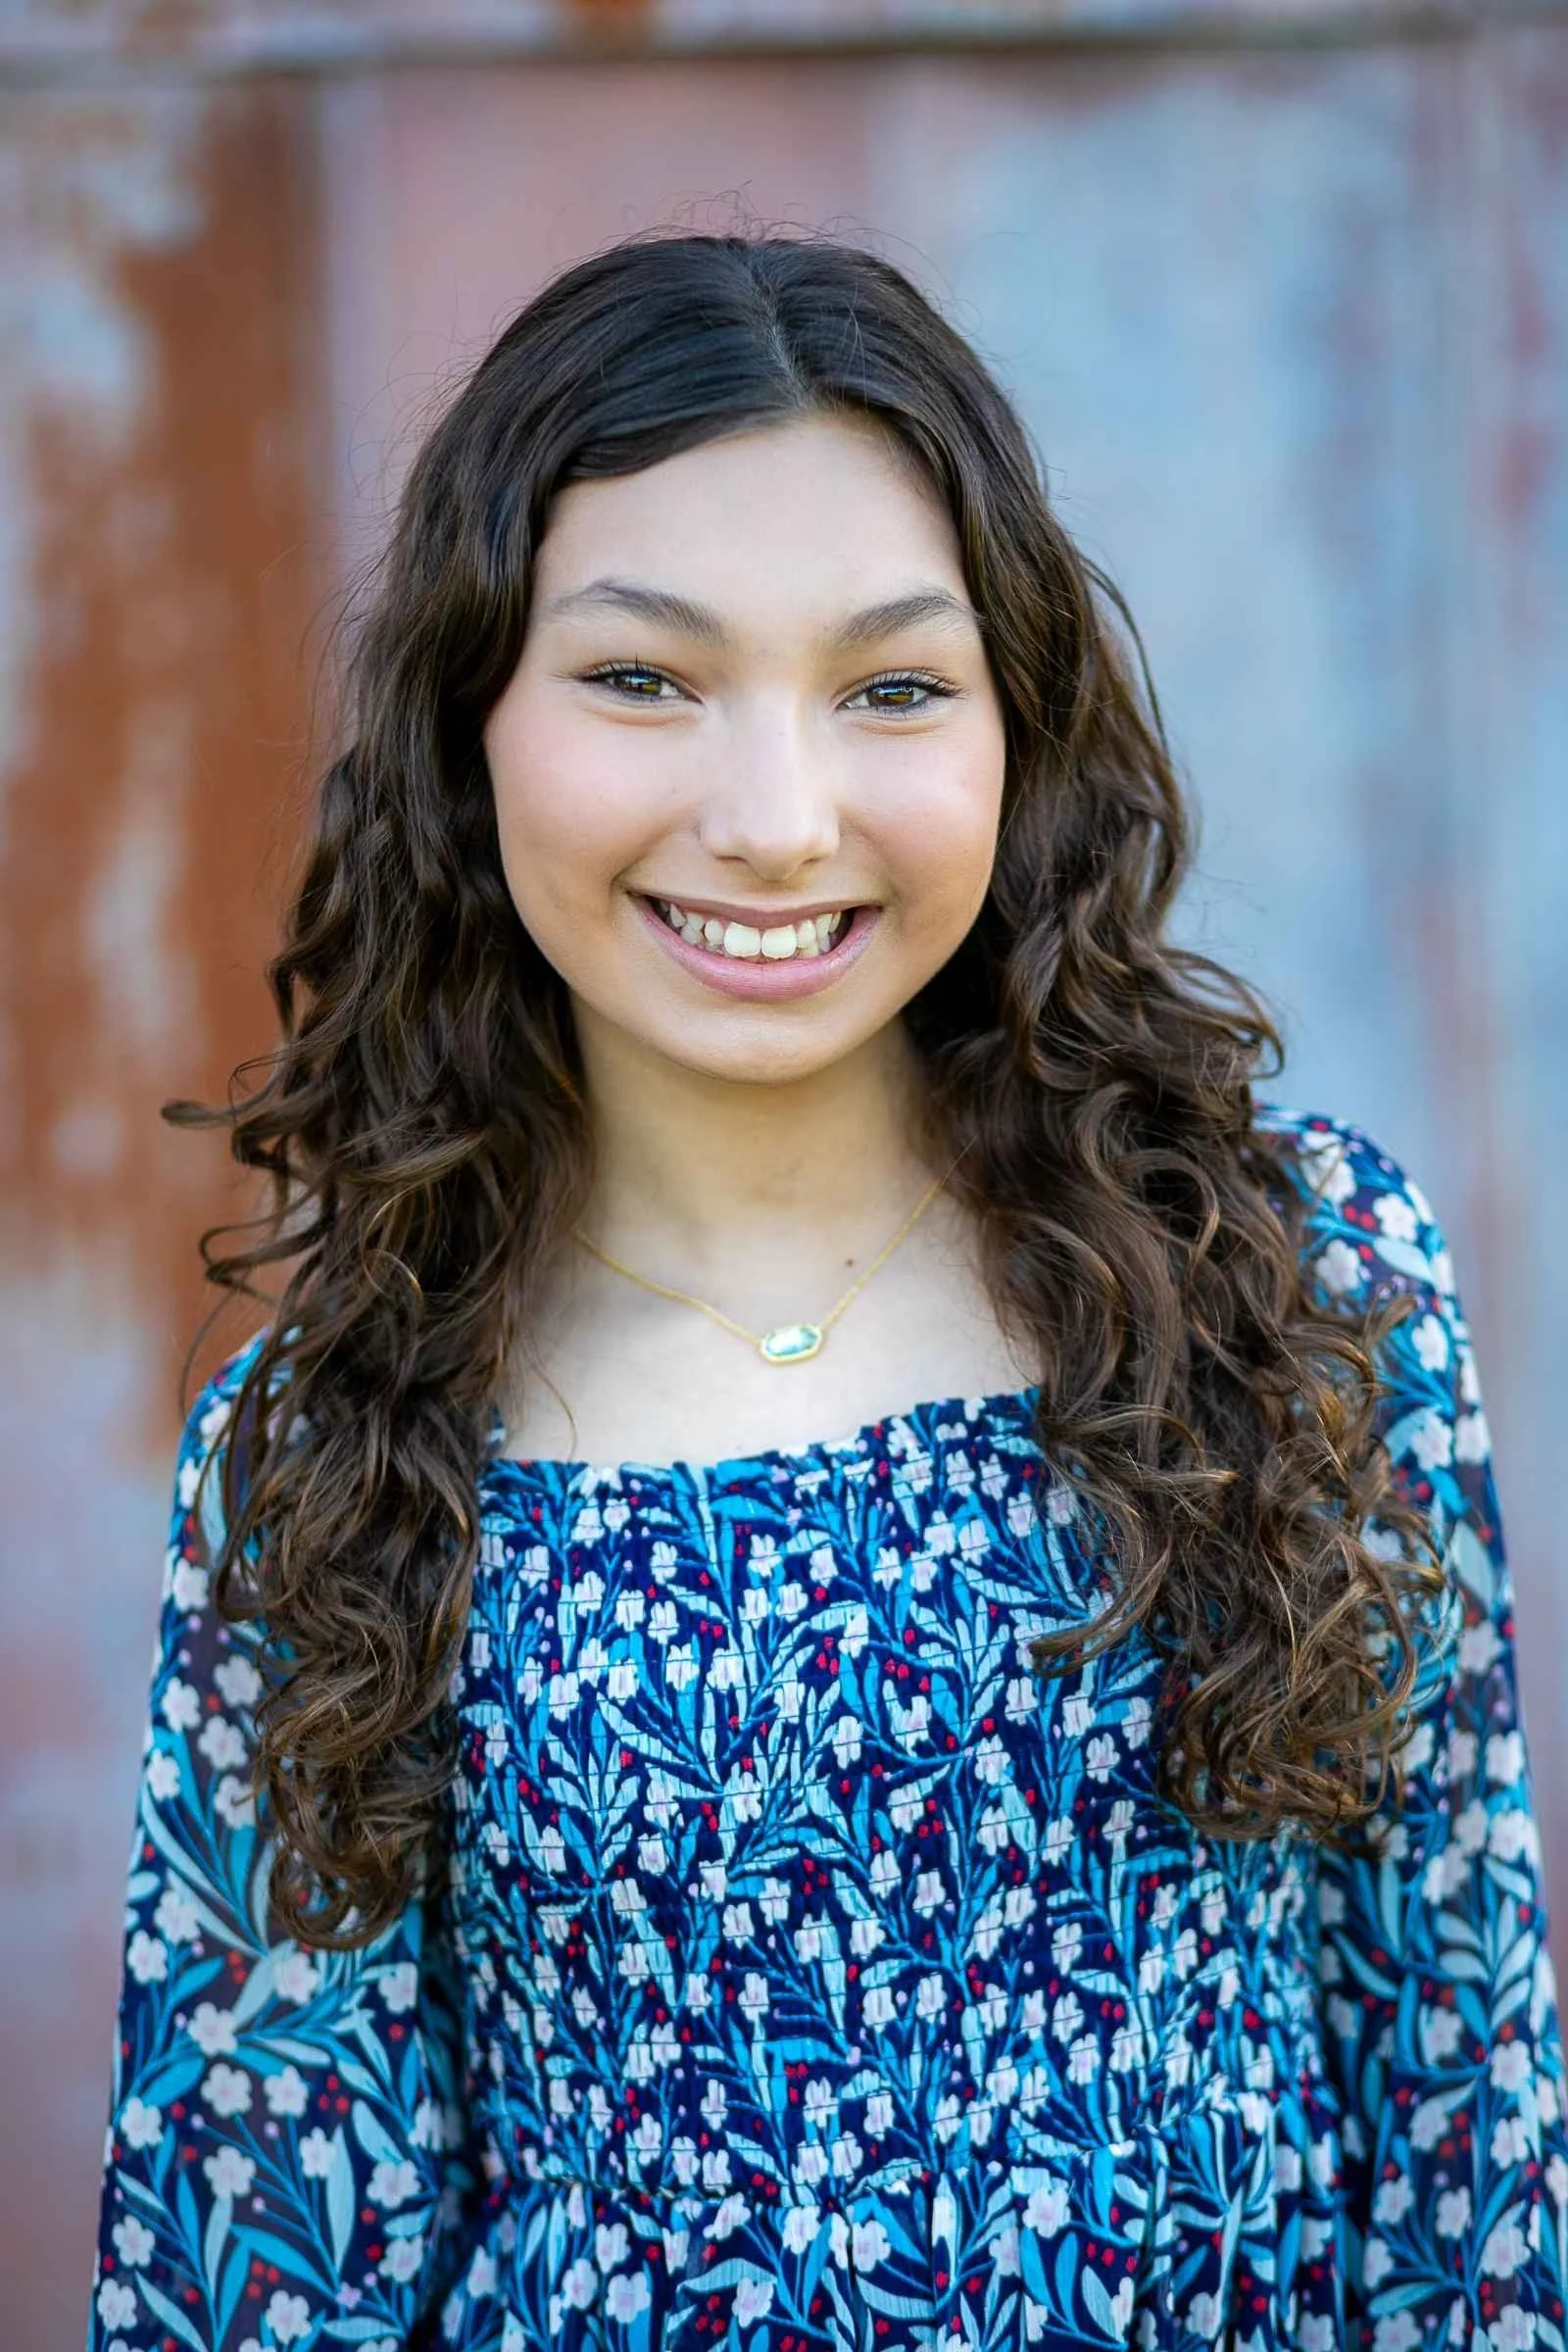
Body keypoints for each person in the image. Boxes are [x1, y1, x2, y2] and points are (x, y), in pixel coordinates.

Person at [87, 228, 1565, 2352]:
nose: (774, 821)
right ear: (468, 721)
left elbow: (1463, 2126)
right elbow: (254, 2263)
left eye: (887, 686)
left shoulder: (1297, 1286)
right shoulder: (329, 1455)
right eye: (639, 679)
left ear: (1012, 732)